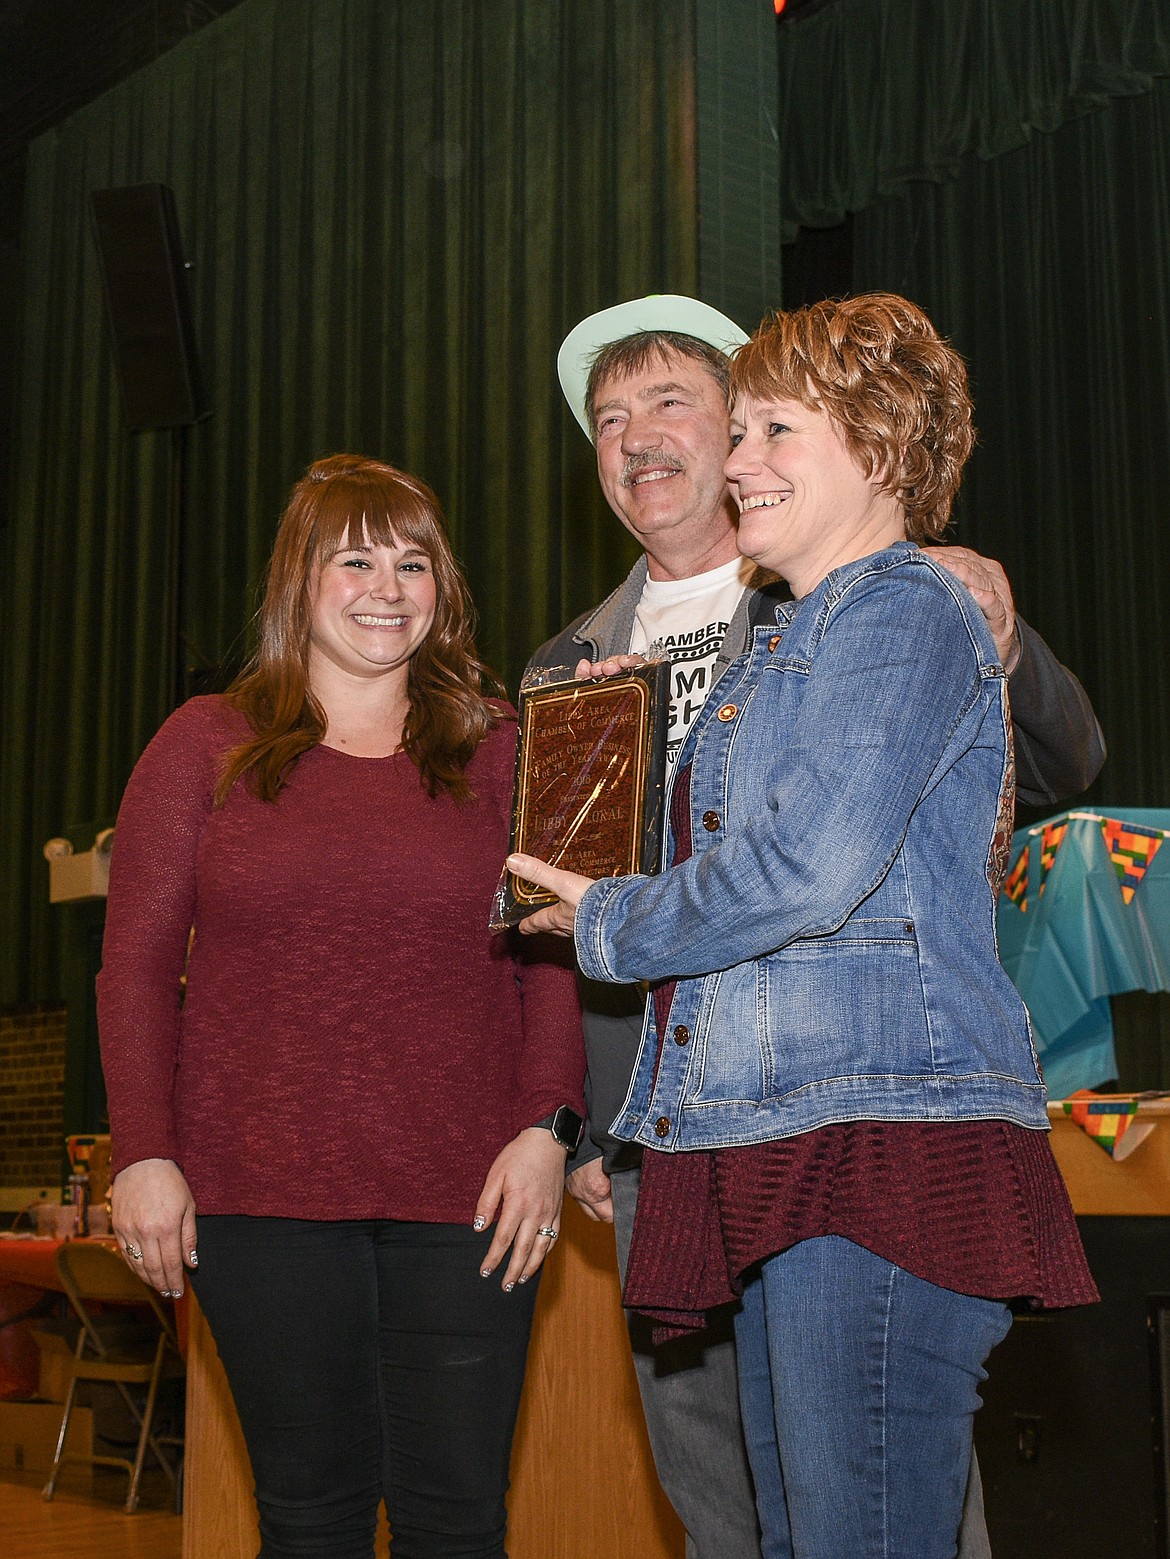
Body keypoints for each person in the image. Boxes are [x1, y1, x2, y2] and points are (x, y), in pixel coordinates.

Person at [513, 292, 1099, 1558]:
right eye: (609, 418)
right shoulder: (570, 668)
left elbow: (816, 861)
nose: (705, 454)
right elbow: (551, 922)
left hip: (869, 1123)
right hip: (698, 1133)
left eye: (701, 409)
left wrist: (996, 624)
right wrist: (591, 1128)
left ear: (868, 445)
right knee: (766, 1521)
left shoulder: (890, 603)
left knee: (869, 1514)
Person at [97, 454, 584, 1559]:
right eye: (354, 558)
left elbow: (553, 957)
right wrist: (143, 1150)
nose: (387, 585)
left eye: (413, 561)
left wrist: (546, 1125)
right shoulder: (202, 745)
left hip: (471, 1198)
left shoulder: (501, 745)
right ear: (299, 581)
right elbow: (131, 968)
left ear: (442, 587)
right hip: (260, 1197)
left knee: (459, 1522)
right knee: (308, 1520)